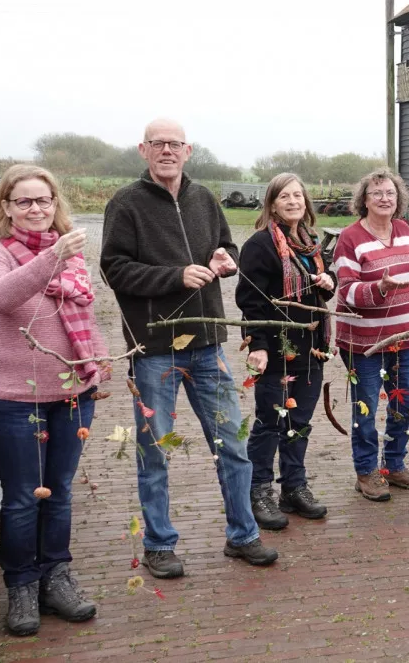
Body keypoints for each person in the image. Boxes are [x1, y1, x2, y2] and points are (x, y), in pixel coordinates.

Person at [101, 118, 278, 579]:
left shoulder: (204, 199)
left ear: (188, 150)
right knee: (155, 450)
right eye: (157, 143)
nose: (166, 150)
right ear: (143, 149)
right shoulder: (126, 204)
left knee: (233, 445)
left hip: (208, 345)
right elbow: (114, 270)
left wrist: (225, 260)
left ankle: (243, 535)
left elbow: (226, 248)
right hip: (154, 348)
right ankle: (159, 544)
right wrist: (174, 276)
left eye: (174, 144)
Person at [0, 165, 107, 635]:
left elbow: (85, 310)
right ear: (5, 206)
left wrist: (99, 366)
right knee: (25, 496)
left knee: (61, 491)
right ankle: (21, 585)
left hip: (71, 393)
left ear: (56, 204)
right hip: (9, 398)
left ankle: (56, 576)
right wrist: (51, 259)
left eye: (44, 201)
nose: (36, 210)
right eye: (24, 201)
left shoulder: (68, 254)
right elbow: (2, 298)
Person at [236, 173, 336, 530]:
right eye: (285, 197)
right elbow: (250, 301)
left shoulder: (310, 243)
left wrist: (329, 281)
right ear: (272, 203)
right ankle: (258, 490)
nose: (294, 202)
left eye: (298, 196)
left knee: (300, 422)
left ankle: (293, 487)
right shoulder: (260, 246)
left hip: (312, 349)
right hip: (276, 351)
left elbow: (327, 283)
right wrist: (259, 346)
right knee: (269, 423)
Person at [333, 167, 409, 501]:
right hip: (365, 345)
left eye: (390, 193)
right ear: (364, 200)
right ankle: (366, 472)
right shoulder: (350, 238)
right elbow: (347, 291)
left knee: (405, 404)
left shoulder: (403, 229)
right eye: (377, 194)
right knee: (366, 409)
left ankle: (394, 465)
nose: (384, 199)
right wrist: (380, 288)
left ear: (398, 198)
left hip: (403, 341)